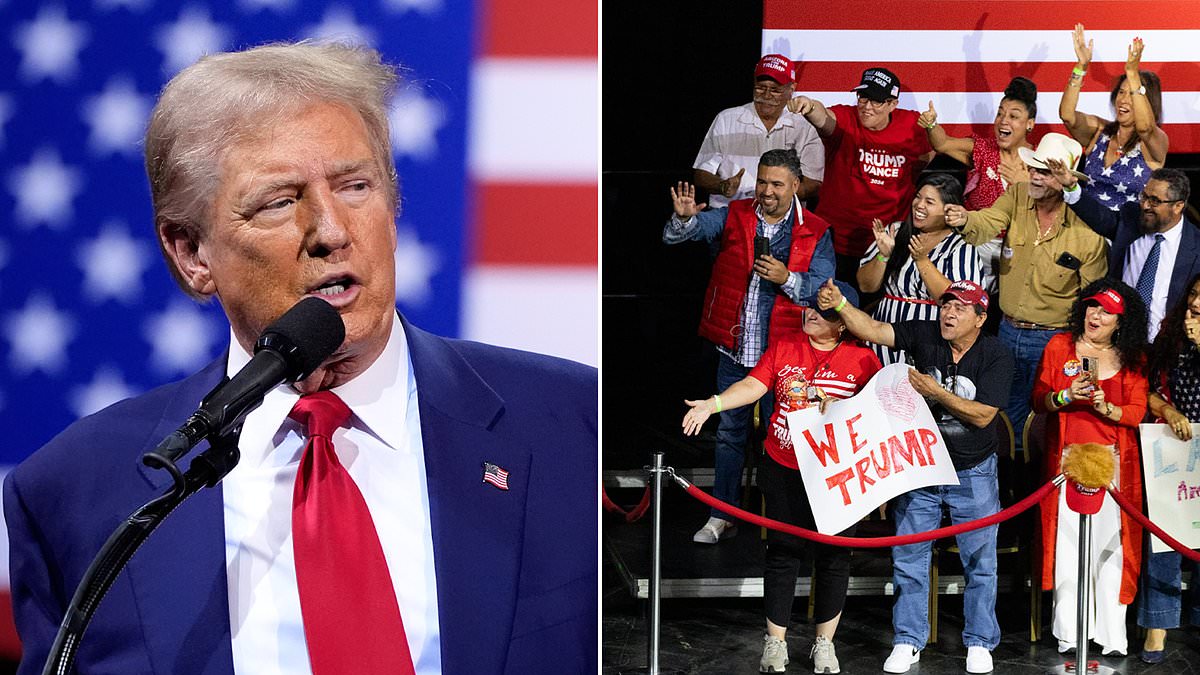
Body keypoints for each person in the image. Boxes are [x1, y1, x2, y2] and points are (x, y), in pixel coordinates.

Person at [2, 42, 597, 675]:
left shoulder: (572, 423)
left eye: (356, 186)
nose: (332, 231)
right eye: (280, 201)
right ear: (192, 255)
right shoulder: (76, 494)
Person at [816, 278, 1014, 675]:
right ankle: (908, 639)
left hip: (973, 471)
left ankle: (979, 641)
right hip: (919, 466)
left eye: (960, 308)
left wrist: (935, 392)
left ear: (980, 317)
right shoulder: (925, 333)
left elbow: (982, 415)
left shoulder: (997, 355)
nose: (949, 314)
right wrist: (839, 305)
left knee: (981, 561)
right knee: (909, 557)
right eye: (946, 306)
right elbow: (872, 329)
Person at [681, 284, 880, 674]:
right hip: (784, 465)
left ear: (843, 324)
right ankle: (776, 643)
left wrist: (839, 406)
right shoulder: (786, 347)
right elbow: (753, 385)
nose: (810, 314)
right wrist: (714, 403)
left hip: (836, 475)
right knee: (783, 554)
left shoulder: (864, 360)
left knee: (835, 557)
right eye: (809, 308)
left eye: (822, 313)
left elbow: (875, 413)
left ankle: (824, 644)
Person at [665, 149, 836, 545]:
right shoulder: (738, 214)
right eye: (762, 182)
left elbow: (825, 290)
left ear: (796, 185)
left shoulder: (815, 228)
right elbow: (685, 233)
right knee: (729, 434)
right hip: (736, 351)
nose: (767, 191)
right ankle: (721, 514)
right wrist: (686, 216)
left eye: (777, 184)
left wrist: (788, 278)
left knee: (787, 436)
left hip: (786, 357)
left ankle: (784, 519)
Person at [943, 132, 1108, 451]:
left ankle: (1038, 490)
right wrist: (965, 218)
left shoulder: (1086, 229)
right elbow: (987, 222)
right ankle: (1009, 485)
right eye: (1033, 167)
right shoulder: (1017, 196)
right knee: (1002, 417)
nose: (1034, 175)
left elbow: (1092, 298)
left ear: (1065, 179)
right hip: (1006, 330)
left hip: (1054, 340)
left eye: (1044, 171)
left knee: (1049, 421)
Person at [1031, 279, 1149, 656]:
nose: (1095, 316)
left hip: (1113, 467)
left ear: (1120, 323)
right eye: (1092, 307)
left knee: (1110, 550)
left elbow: (1136, 412)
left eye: (1107, 313)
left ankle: (1112, 636)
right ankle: (1070, 633)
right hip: (1066, 463)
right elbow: (1038, 400)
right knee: (1067, 548)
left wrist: (1105, 407)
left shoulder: (1134, 358)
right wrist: (1066, 395)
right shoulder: (1059, 346)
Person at [787, 67, 934, 282]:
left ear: (893, 104)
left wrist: (933, 128)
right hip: (834, 241)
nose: (866, 107)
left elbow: (932, 158)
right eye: (863, 97)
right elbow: (823, 117)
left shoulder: (911, 126)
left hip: (884, 244)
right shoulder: (846, 118)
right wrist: (809, 106)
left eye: (876, 101)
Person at [1047, 158, 1200, 342]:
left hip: (1168, 347)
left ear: (1178, 206)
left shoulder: (1196, 245)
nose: (1145, 205)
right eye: (1144, 196)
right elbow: (1100, 217)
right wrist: (1071, 187)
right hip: (1121, 341)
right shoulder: (1131, 218)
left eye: (1155, 201)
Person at [918, 76, 1038, 292]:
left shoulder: (1040, 160)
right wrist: (932, 124)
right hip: (975, 244)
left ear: (1030, 124)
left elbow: (1053, 210)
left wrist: (1026, 186)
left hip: (1020, 248)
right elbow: (943, 143)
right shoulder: (983, 149)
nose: (1003, 120)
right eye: (1000, 113)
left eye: (1013, 116)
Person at [1137, 273, 1200, 663]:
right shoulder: (1170, 336)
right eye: (1194, 293)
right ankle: (1157, 625)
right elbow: (1143, 390)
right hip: (1174, 449)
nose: (1196, 303)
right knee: (1165, 539)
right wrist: (1168, 410)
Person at [857, 173, 983, 365]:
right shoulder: (896, 232)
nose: (919, 205)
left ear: (949, 210)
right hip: (883, 332)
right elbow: (866, 286)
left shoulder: (961, 248)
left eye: (930, 201)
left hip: (929, 340)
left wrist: (922, 260)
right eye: (918, 197)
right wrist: (883, 256)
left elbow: (957, 301)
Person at [693, 54, 824, 208]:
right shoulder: (726, 119)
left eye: (775, 90)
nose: (766, 95)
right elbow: (701, 174)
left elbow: (813, 183)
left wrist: (772, 201)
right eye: (760, 88)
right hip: (730, 214)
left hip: (783, 221)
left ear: (792, 89)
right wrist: (722, 186)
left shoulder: (805, 126)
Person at [1059, 26, 1168, 209]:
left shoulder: (1156, 141)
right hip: (1085, 229)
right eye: (1121, 92)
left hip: (1126, 234)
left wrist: (1132, 74)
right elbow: (1067, 115)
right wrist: (1081, 67)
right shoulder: (1100, 131)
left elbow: (1145, 128)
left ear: (1148, 103)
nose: (1124, 100)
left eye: (1132, 94)